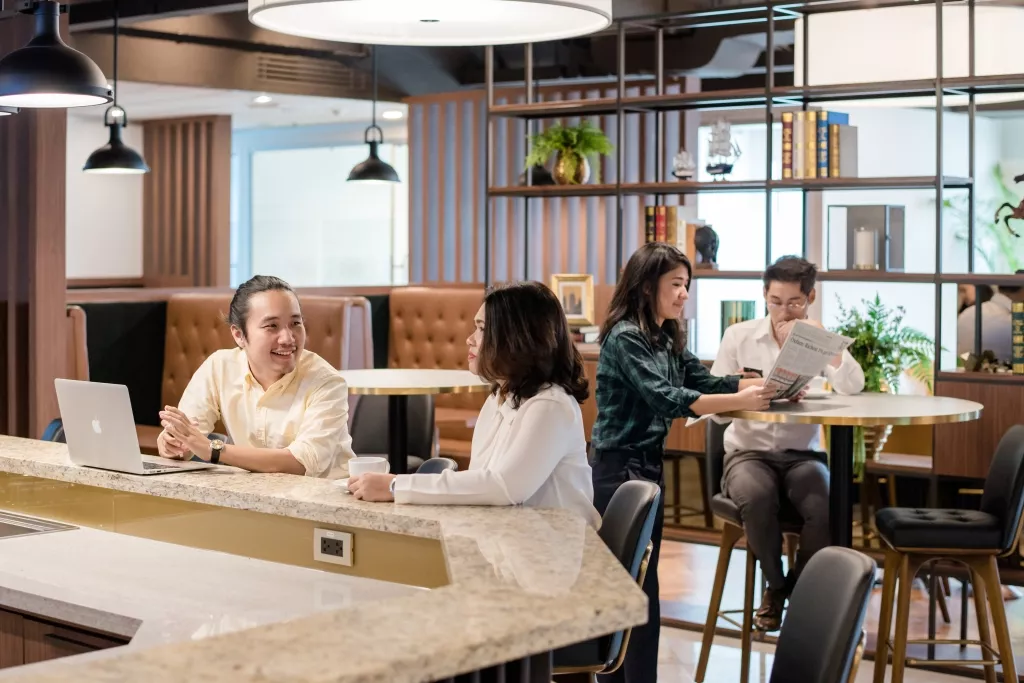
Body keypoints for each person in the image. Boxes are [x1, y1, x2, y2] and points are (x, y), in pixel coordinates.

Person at [589, 242, 774, 683]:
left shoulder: (665, 334)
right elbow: (666, 398)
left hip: (647, 468)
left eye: (686, 285)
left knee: (641, 586)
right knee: (625, 587)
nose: (684, 294)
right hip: (617, 471)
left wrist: (763, 384)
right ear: (646, 285)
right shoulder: (626, 336)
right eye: (676, 284)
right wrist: (743, 398)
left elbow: (705, 380)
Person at [348, 281, 600, 527]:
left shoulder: (551, 405)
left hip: (557, 546)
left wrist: (396, 486)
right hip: (512, 537)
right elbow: (481, 481)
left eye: (482, 329)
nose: (470, 339)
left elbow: (503, 487)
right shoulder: (499, 398)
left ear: (517, 338)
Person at [710, 256, 865, 631]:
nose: (783, 312)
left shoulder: (815, 338)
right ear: (764, 295)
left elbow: (853, 386)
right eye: (775, 302)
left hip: (802, 455)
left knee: (826, 505)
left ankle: (800, 585)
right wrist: (747, 392)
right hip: (748, 453)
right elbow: (714, 409)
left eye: (794, 303)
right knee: (757, 497)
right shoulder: (739, 336)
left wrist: (827, 344)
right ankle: (777, 586)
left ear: (810, 298)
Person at [155, 275, 355, 477]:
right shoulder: (219, 367)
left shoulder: (326, 382)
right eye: (272, 326)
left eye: (296, 323)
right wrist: (174, 444)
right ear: (239, 335)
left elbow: (302, 463)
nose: (288, 338)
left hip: (324, 494)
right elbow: (188, 434)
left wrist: (214, 450)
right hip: (255, 491)